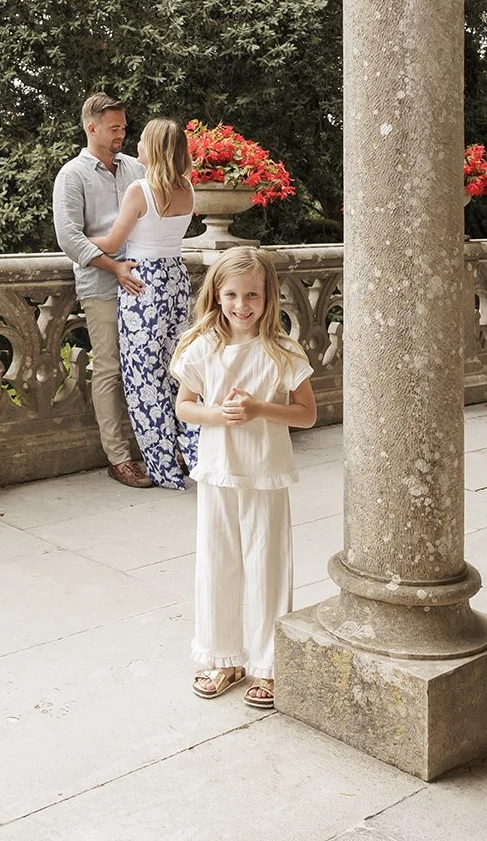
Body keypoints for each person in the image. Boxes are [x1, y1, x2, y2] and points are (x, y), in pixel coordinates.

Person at [170, 247, 317, 708]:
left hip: (266, 474)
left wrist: (259, 408)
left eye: (252, 294)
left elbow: (307, 414)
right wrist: (216, 413)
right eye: (231, 294)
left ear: (268, 295)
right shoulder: (203, 347)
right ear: (217, 295)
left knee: (268, 567)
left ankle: (269, 664)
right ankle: (223, 657)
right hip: (218, 472)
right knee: (218, 563)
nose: (241, 305)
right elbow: (184, 405)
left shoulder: (282, 351)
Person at [87, 117, 200, 489]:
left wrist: (83, 240)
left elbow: (114, 240)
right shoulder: (187, 189)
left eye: (142, 140)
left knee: (143, 378)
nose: (134, 144)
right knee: (178, 371)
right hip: (176, 279)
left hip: (144, 285)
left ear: (152, 148)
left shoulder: (140, 189)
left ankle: (163, 468)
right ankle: (194, 455)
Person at [53, 92, 153, 488]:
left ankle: (158, 448)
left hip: (144, 281)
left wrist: (120, 251)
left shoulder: (136, 168)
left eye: (124, 127)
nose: (122, 134)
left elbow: (155, 214)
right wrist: (113, 263)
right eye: (114, 128)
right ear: (91, 128)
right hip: (101, 284)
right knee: (109, 368)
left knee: (151, 364)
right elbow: (69, 238)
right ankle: (119, 458)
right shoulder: (71, 175)